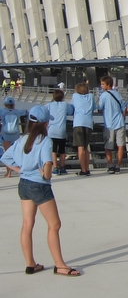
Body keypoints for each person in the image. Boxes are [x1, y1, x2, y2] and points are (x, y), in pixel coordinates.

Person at [0, 105, 81, 276]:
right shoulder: (45, 141)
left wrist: (19, 170)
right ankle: (59, 265)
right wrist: (45, 175)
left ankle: (31, 264)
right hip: (39, 185)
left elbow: (5, 157)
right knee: (54, 224)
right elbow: (48, 164)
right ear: (45, 124)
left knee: (27, 224)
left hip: (24, 184)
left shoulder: (23, 139)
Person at [97, 76, 126, 173]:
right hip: (120, 122)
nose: (101, 86)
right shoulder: (117, 94)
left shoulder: (104, 95)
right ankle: (118, 165)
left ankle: (110, 165)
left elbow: (99, 108)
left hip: (109, 124)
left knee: (108, 146)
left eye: (102, 84)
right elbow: (123, 108)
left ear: (108, 85)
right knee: (120, 145)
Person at [70, 82, 96, 176]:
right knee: (86, 147)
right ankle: (87, 168)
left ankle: (83, 169)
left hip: (78, 123)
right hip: (88, 123)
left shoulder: (75, 96)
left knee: (80, 147)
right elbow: (94, 107)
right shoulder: (91, 96)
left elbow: (72, 107)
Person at [46, 89, 74, 175]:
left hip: (51, 131)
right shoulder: (65, 105)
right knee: (62, 151)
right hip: (61, 131)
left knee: (53, 150)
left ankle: (55, 167)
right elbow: (71, 111)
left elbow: (43, 112)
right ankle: (62, 167)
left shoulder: (49, 105)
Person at [1, 97, 26, 177]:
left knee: (7, 153)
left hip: (6, 134)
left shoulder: (2, 111)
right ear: (13, 104)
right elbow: (26, 112)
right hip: (15, 134)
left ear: (5, 104)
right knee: (17, 153)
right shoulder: (17, 111)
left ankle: (9, 173)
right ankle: (19, 169)